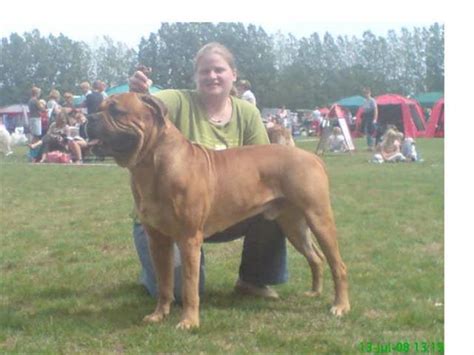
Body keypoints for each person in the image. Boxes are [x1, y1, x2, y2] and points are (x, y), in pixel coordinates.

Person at [128, 42, 288, 302]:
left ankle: (254, 280)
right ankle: (152, 275)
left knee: (273, 202)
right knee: (183, 294)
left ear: (233, 74)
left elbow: (263, 163)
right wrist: (138, 94)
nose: (212, 76)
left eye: (219, 70)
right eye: (204, 71)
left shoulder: (247, 112)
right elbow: (144, 107)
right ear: (196, 77)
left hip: (221, 212)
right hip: (166, 216)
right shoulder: (177, 100)